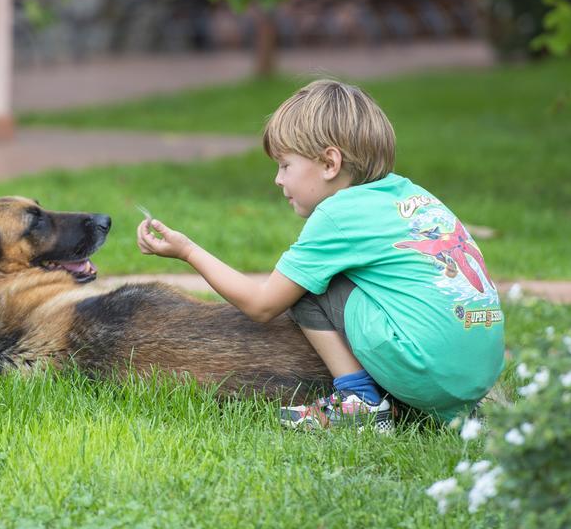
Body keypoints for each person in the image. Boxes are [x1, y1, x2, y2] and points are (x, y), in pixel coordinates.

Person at [136, 79, 505, 430]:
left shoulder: (338, 214)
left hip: (429, 372)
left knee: (309, 285)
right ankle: (427, 402)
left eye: (285, 165)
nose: (278, 180)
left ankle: (358, 403)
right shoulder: (413, 195)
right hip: (477, 377)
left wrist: (188, 251)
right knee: (324, 276)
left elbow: (263, 304)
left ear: (330, 163)